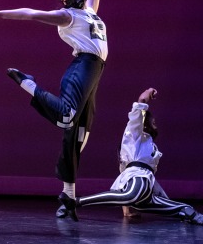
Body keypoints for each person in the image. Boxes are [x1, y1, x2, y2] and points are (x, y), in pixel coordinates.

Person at [0, 0, 120, 214]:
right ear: (63, 1)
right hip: (82, 68)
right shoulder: (66, 17)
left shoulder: (90, 10)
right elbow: (30, 13)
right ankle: (28, 83)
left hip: (94, 73)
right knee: (66, 118)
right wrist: (0, 13)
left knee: (78, 136)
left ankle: (68, 197)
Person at [57, 88, 203, 225]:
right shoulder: (135, 132)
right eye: (153, 121)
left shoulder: (148, 145)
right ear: (144, 124)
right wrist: (147, 93)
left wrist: (128, 210)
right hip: (137, 184)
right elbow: (140, 106)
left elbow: (134, 176)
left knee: (183, 208)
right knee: (131, 194)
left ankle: (192, 215)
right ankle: (74, 202)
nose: (155, 123)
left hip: (144, 192)